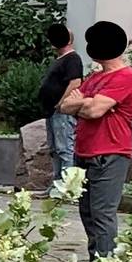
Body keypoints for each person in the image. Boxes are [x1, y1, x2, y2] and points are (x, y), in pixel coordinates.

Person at [60, 21, 132, 259]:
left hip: (111, 153)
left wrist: (84, 103)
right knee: (87, 211)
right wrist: (87, 102)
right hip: (84, 152)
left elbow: (93, 111)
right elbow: (65, 105)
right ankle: (96, 257)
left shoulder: (125, 77)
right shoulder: (95, 78)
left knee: (102, 213)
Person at [36, 24, 84, 182]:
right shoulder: (60, 60)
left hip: (62, 112)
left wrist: (61, 103)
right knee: (55, 149)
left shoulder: (72, 59)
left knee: (64, 149)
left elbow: (75, 82)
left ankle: (66, 187)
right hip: (51, 112)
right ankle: (56, 186)